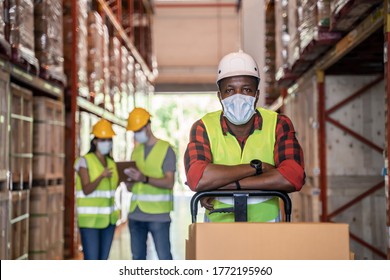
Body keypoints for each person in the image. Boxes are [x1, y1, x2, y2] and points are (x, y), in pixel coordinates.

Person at [184, 50, 305, 222]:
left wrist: (222, 186)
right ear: (220, 96)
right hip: (218, 233)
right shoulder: (203, 127)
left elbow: (293, 177)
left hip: (266, 231)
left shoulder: (278, 124)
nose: (238, 97)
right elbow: (198, 178)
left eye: (246, 89)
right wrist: (257, 167)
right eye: (229, 90)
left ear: (256, 95)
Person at [125, 107, 176, 260]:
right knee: (137, 258)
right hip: (136, 214)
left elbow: (169, 182)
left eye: (138, 130)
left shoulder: (166, 149)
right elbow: (132, 187)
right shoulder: (136, 151)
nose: (136, 134)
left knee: (164, 258)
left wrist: (144, 178)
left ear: (148, 126)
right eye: (133, 131)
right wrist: (128, 181)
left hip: (158, 216)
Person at [74, 119, 119, 260]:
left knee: (103, 260)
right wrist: (101, 176)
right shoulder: (84, 161)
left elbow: (113, 188)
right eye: (103, 140)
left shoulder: (112, 163)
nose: (107, 143)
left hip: (109, 221)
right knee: (92, 260)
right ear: (95, 141)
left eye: (109, 140)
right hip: (90, 222)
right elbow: (87, 189)